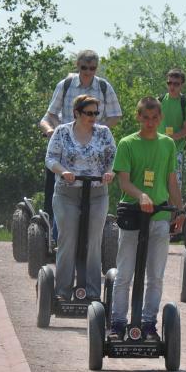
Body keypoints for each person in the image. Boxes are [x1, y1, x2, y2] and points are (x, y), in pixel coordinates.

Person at [109, 97, 186, 341]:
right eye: (145, 117)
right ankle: (119, 323)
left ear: (160, 118)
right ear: (138, 117)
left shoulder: (167, 145)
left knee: (156, 274)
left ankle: (149, 323)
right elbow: (123, 181)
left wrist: (180, 211)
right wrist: (141, 195)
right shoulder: (127, 143)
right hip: (132, 214)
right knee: (124, 273)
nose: (150, 122)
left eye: (154, 118)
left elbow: (171, 180)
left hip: (160, 215)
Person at [45, 95, 116, 301]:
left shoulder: (104, 133)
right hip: (68, 193)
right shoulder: (62, 132)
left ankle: (92, 293)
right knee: (68, 239)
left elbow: (113, 157)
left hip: (96, 192)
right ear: (77, 113)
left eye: (96, 113)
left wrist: (109, 172)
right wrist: (63, 171)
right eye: (89, 113)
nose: (93, 117)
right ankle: (63, 292)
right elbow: (50, 158)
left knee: (94, 241)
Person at [40, 49, 122, 224]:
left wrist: (97, 130)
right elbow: (51, 114)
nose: (88, 72)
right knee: (56, 192)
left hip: (93, 150)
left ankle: (94, 236)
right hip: (66, 149)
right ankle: (55, 232)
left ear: (96, 69)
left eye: (92, 68)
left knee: (96, 192)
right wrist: (57, 131)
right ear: (78, 66)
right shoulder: (66, 84)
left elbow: (115, 115)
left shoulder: (103, 87)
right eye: (84, 67)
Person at [158, 68, 186, 189]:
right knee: (156, 184)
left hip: (176, 151)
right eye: (169, 83)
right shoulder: (159, 101)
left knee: (174, 186)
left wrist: (170, 138)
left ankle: (173, 208)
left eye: (176, 84)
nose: (172, 86)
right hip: (157, 148)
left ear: (182, 85)